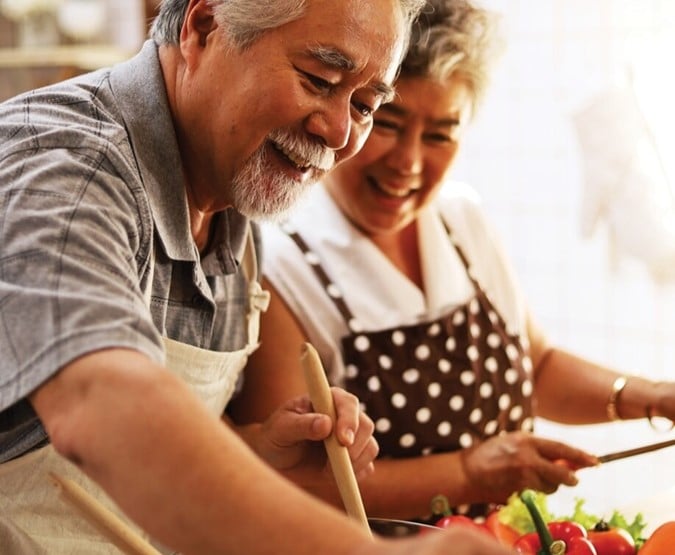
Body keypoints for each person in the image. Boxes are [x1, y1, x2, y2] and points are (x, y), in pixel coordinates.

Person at [0, 0, 516, 553]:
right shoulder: (67, 165)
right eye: (319, 80)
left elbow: (161, 450)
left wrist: (260, 453)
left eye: (366, 105)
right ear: (204, 27)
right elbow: (100, 405)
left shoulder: (238, 190)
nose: (339, 132)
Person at [228, 0, 675, 524]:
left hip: (509, 535)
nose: (409, 163)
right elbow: (289, 487)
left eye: (440, 133)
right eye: (388, 123)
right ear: (355, 111)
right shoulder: (279, 263)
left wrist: (652, 397)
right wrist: (468, 472)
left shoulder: (461, 219)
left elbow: (537, 365)